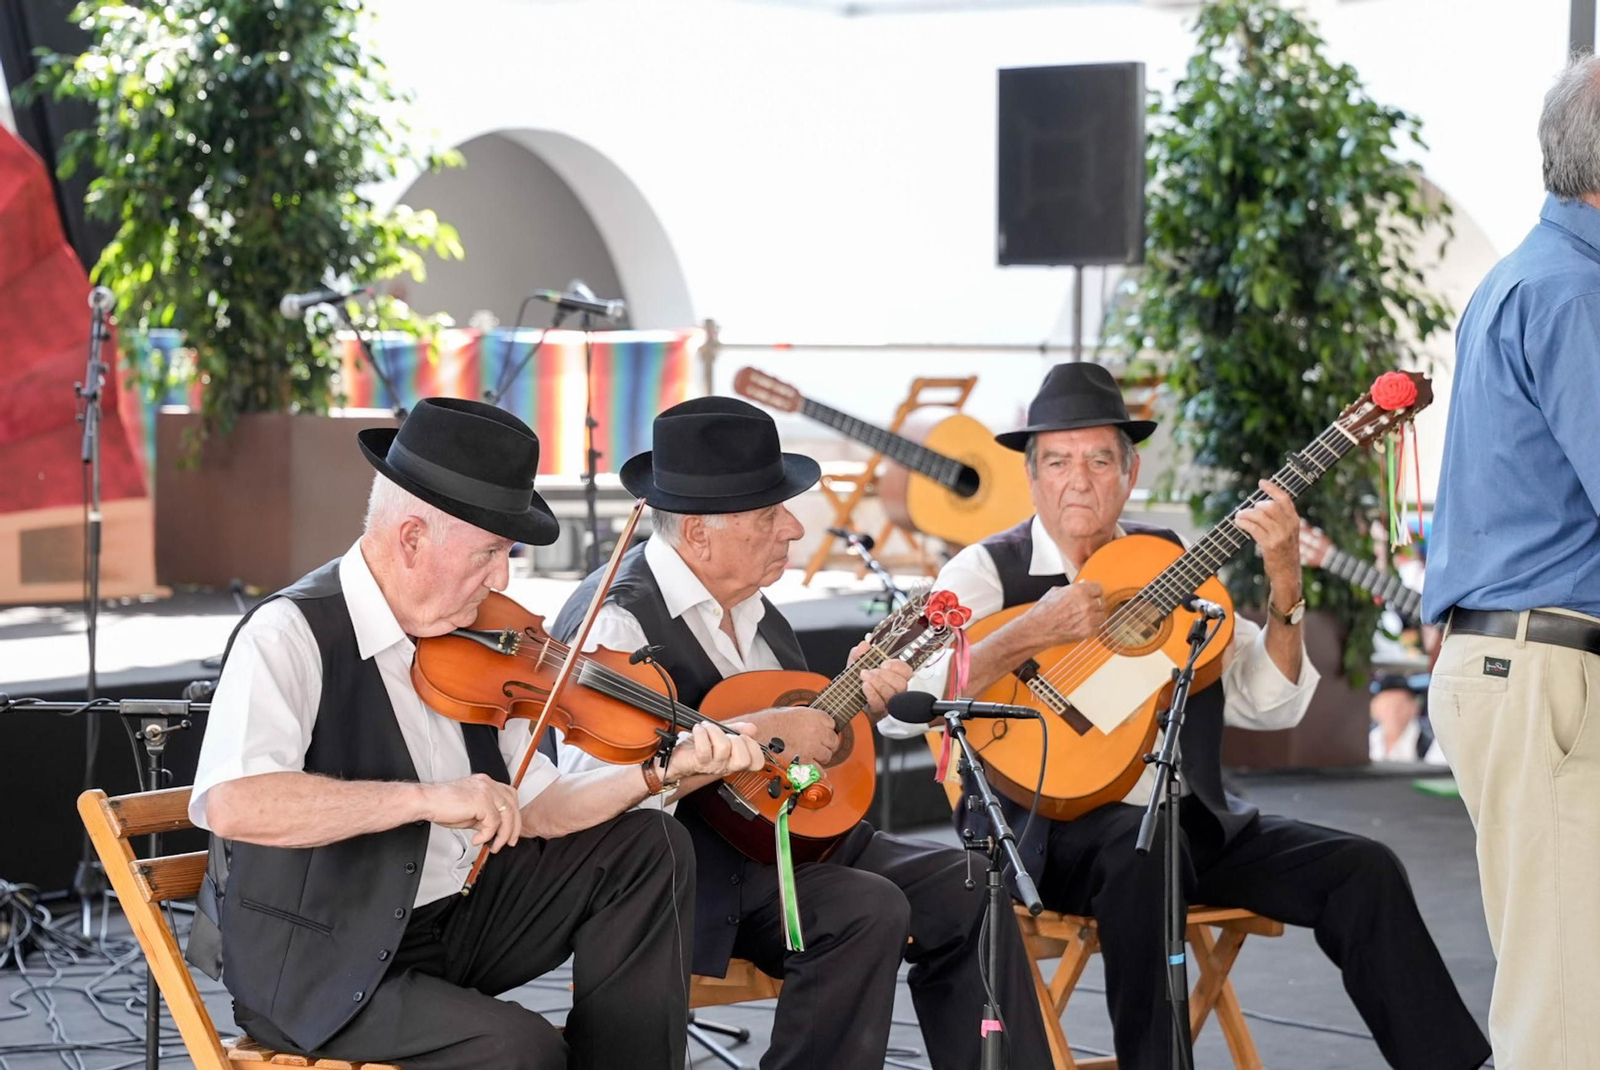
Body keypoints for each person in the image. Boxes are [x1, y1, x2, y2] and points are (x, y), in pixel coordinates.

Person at [880, 363, 1488, 1070]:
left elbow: (1271, 701)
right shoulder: (986, 571)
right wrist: (1027, 633)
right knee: (1146, 853)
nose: (1079, 479)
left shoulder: (1167, 560)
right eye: (1058, 461)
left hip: (1192, 819)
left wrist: (1285, 580)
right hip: (1042, 835)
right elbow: (903, 705)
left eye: (1099, 459)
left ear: (1129, 474)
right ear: (1032, 476)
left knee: (1364, 868)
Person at [184, 398, 764, 1070]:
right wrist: (425, 798)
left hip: (450, 922)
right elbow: (235, 802)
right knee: (522, 1052)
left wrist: (657, 775)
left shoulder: (481, 637)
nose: (503, 579)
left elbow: (540, 808)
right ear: (411, 538)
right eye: (489, 553)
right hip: (319, 962)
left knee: (649, 845)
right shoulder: (290, 633)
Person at [550, 396, 1052, 1070]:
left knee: (972, 884)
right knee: (864, 909)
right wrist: (758, 733)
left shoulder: (754, 610)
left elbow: (802, 767)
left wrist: (852, 715)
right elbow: (590, 803)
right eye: (770, 514)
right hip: (688, 881)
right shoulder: (617, 627)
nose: (794, 528)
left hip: (789, 852)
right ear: (698, 533)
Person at [1424, 55, 1600, 1069]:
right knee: (1564, 1019)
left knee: (1564, 991)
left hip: (1526, 665)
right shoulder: (1574, 294)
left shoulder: (1538, 275)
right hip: (1544, 669)